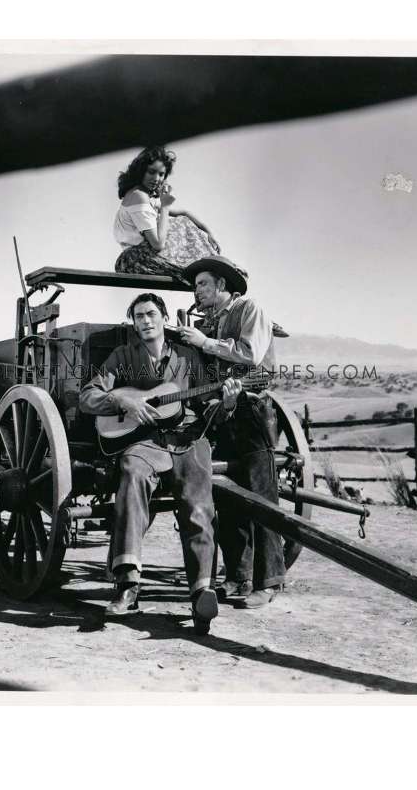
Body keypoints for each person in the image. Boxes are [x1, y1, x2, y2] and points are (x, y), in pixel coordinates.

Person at [79, 292, 241, 634]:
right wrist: (121, 398)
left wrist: (225, 404)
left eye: (151, 314)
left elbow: (210, 406)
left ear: (164, 318)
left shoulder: (188, 356)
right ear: (134, 323)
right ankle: (127, 586)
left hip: (188, 438)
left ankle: (201, 593)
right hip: (144, 441)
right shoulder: (123, 356)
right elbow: (88, 396)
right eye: (138, 316)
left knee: (198, 504)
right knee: (131, 472)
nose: (145, 321)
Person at [177, 256, 286, 609]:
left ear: (222, 285)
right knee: (226, 498)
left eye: (203, 284)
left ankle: (268, 582)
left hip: (252, 411)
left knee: (261, 496)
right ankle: (238, 578)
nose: (197, 291)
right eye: (196, 286)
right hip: (222, 413)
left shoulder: (248, 309)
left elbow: (250, 355)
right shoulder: (211, 321)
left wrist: (203, 343)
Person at [113, 146, 221, 280]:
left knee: (181, 221)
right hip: (134, 261)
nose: (156, 178)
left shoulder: (145, 196)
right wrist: (165, 206)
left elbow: (184, 214)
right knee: (178, 226)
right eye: (151, 172)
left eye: (161, 174)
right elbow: (158, 244)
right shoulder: (138, 196)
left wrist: (208, 233)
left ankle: (210, 263)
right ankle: (210, 265)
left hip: (141, 257)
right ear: (140, 171)